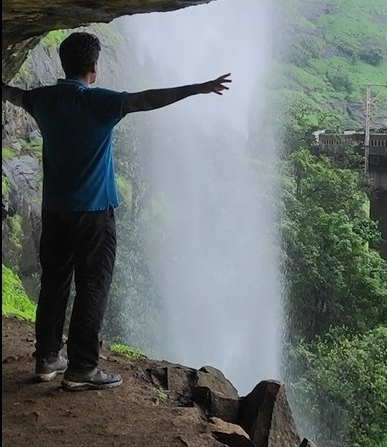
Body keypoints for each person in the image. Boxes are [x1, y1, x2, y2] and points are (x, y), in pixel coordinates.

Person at [1, 31, 232, 391]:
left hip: (54, 210)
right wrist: (197, 88)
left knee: (54, 283)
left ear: (64, 64)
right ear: (94, 68)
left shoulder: (42, 99)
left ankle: (47, 358)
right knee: (93, 284)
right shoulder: (101, 103)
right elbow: (147, 100)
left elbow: (11, 93)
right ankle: (82, 367)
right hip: (94, 212)